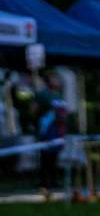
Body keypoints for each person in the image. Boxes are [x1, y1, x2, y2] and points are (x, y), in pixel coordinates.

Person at [33, 72, 68, 200]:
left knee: (54, 155)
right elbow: (33, 110)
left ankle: (53, 180)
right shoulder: (42, 94)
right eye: (55, 78)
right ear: (49, 80)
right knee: (45, 156)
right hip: (46, 129)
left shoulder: (59, 94)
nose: (58, 81)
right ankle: (44, 182)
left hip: (57, 130)